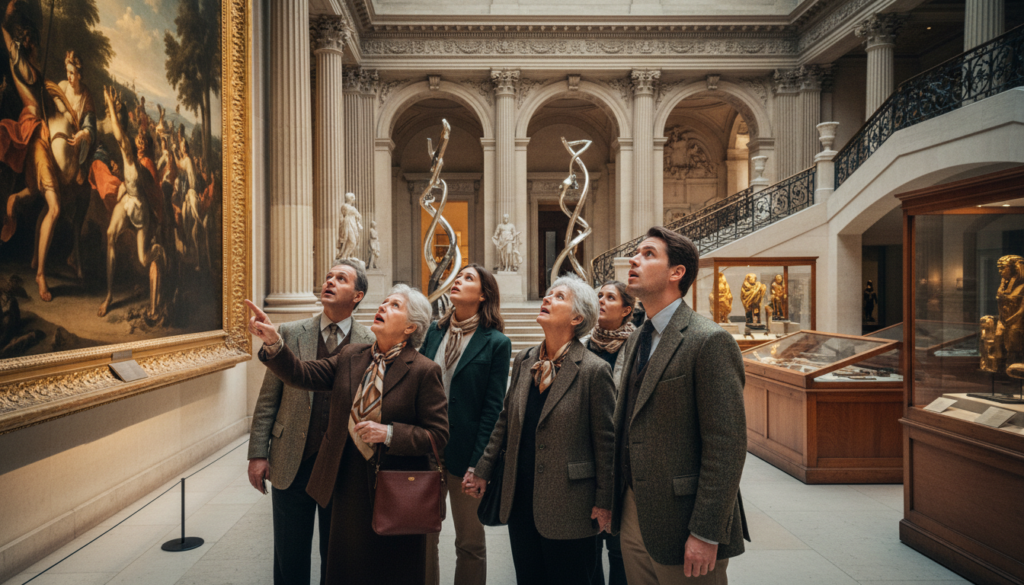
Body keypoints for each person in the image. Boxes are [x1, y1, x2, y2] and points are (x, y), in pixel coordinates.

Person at [246, 284, 449, 584]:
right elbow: (302, 374)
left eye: (394, 305)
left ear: (410, 327)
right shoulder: (351, 357)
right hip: (346, 487)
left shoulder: (423, 370)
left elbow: (437, 434)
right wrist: (275, 343)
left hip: (393, 490)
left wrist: (390, 433)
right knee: (346, 570)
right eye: (384, 302)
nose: (382, 307)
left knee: (391, 571)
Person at [613, 226, 748, 585]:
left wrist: (706, 532)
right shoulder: (636, 338)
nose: (634, 259)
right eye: (636, 253)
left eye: (648, 254)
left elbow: (727, 445)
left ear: (677, 273)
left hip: (684, 518)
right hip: (632, 513)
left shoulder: (709, 341)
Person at [467, 273, 615, 585]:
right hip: (520, 499)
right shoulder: (525, 360)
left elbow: (606, 444)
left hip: (571, 505)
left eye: (558, 297)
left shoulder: (594, 370)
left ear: (577, 318)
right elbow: (505, 421)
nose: (547, 298)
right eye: (548, 294)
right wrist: (482, 469)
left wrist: (605, 501)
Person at [247, 260, 374, 585]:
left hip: (342, 468)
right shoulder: (290, 332)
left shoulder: (370, 342)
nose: (329, 281)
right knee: (289, 558)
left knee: (337, 559)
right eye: (329, 276)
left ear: (357, 295)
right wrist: (258, 453)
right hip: (292, 460)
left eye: (340, 278)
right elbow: (267, 400)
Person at [421, 264, 512, 585]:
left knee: (469, 543)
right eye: (457, 276)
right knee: (424, 538)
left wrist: (480, 465)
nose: (458, 281)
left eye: (468, 278)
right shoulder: (433, 332)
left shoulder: (497, 343)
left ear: (483, 294)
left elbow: (492, 410)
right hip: (427, 451)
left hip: (467, 456)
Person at [587, 280, 635, 585]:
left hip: (623, 460)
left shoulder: (638, 349)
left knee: (620, 550)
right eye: (598, 296)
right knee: (589, 549)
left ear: (627, 309)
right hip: (589, 458)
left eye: (610, 297)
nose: (601, 300)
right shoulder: (581, 346)